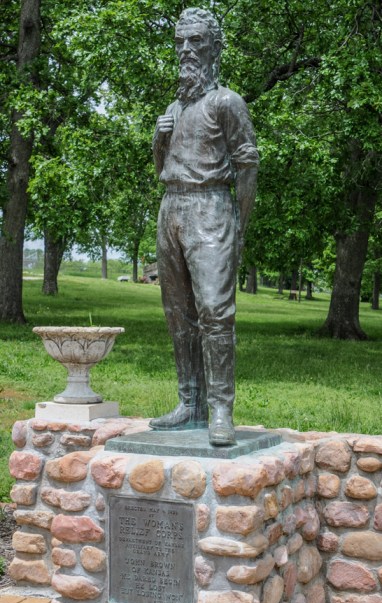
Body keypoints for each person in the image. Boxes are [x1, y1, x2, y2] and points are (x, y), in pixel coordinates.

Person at [149, 7, 259, 446]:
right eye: (181, 42)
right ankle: (188, 402)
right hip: (171, 208)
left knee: (215, 311)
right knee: (179, 313)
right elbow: (163, 169)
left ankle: (219, 410)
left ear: (214, 47)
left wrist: (239, 223)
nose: (187, 50)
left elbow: (248, 164)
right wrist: (158, 140)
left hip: (212, 207)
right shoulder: (174, 107)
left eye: (196, 41)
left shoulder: (226, 102)